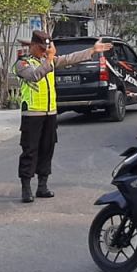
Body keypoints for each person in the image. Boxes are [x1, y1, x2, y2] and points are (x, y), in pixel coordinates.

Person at [15, 30, 112, 203]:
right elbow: (34, 76)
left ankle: (42, 186)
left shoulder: (49, 61)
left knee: (47, 149)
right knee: (30, 151)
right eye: (42, 48)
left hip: (50, 113)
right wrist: (50, 59)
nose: (45, 51)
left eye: (47, 47)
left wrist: (92, 50)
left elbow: (69, 58)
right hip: (32, 114)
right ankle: (26, 187)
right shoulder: (23, 63)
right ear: (32, 46)